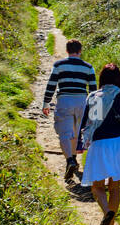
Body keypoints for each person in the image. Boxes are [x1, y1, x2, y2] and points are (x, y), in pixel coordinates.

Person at [77, 63, 120, 225]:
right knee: (114, 187)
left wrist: (80, 145)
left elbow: (85, 123)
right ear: (119, 79)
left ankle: (108, 214)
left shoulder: (93, 97)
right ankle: (110, 224)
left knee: (97, 187)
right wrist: (117, 128)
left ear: (101, 78)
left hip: (100, 142)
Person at [41, 39, 98, 183]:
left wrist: (46, 102)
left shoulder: (59, 65)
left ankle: (70, 160)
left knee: (65, 134)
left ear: (67, 51)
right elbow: (93, 89)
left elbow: (51, 84)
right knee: (77, 132)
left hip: (64, 100)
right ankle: (74, 160)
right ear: (80, 51)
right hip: (82, 101)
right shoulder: (88, 67)